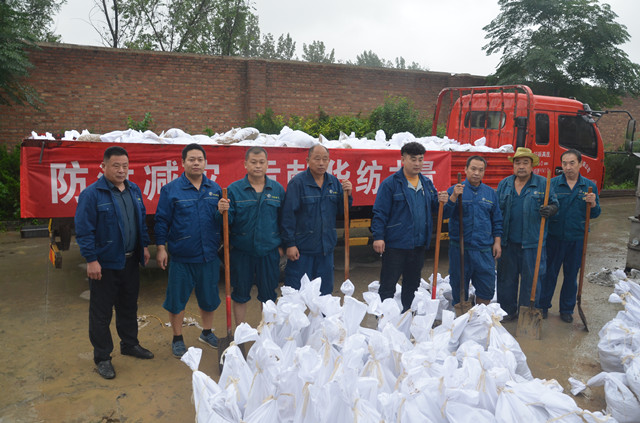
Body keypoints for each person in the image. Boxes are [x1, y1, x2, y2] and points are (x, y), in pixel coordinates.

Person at [75, 146, 153, 380]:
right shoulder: (92, 194)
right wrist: (91, 260)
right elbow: (84, 230)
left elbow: (140, 222)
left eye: (125, 166)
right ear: (103, 166)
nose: (121, 170)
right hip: (105, 264)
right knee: (101, 313)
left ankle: (129, 344)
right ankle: (102, 357)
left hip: (130, 261)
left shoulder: (134, 190)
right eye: (116, 166)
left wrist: (144, 246)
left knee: (128, 306)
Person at [155, 143, 228, 358]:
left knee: (209, 298)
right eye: (191, 159)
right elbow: (161, 221)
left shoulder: (215, 189)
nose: (196, 163)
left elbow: (219, 222)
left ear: (205, 163)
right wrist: (161, 248)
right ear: (183, 162)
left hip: (208, 255)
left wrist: (222, 211)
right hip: (182, 256)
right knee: (176, 301)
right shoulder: (171, 190)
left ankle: (206, 332)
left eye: (200, 159)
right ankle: (177, 338)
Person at [372, 142, 449, 312]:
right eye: (413, 159)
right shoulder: (391, 184)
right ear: (403, 160)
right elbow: (380, 213)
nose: (417, 163)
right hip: (396, 245)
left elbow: (436, 208)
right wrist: (378, 237)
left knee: (412, 285)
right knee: (388, 284)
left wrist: (444, 201)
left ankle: (408, 315)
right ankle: (384, 318)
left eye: (420, 159)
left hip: (418, 245)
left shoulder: (426, 183)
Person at [217, 147, 285, 326]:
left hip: (269, 252)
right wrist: (221, 211)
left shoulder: (277, 189)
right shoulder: (234, 190)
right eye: (253, 162)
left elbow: (284, 221)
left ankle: (267, 332)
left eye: (261, 162)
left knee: (268, 296)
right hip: (242, 252)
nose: (258, 166)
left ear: (267, 164)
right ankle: (241, 333)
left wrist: (282, 247)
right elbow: (226, 222)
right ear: (245, 164)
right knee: (240, 294)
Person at [280, 144, 352, 296]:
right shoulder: (298, 183)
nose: (321, 163)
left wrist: (348, 194)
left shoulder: (334, 182)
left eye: (325, 159)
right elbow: (288, 216)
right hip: (302, 250)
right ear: (308, 160)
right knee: (297, 294)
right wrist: (290, 244)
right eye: (317, 159)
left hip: (326, 249)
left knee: (324, 294)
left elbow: (342, 211)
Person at [496, 147, 559, 320]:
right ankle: (507, 312)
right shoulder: (504, 184)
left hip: (532, 244)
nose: (521, 166)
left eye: (525, 163)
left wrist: (551, 209)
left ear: (532, 166)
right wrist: (497, 239)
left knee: (531, 282)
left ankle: (526, 314)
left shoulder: (543, 183)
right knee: (506, 281)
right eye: (518, 163)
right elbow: (496, 213)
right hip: (508, 244)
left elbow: (555, 204)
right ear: (513, 166)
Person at [539, 149, 600, 323]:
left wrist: (593, 204)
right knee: (548, 274)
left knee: (571, 275)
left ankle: (566, 309)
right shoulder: (553, 184)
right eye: (564, 163)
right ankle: (543, 306)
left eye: (572, 163)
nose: (568, 167)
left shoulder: (588, 186)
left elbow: (596, 213)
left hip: (577, 238)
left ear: (580, 164)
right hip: (554, 237)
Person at [443, 155, 503, 307]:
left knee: (486, 287)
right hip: (460, 249)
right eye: (473, 169)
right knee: (459, 287)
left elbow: (496, 219)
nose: (476, 173)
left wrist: (497, 242)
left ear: (484, 172)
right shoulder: (455, 190)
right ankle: (463, 315)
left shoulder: (490, 193)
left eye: (480, 170)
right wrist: (454, 196)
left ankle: (480, 315)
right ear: (465, 169)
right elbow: (444, 214)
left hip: (483, 250)